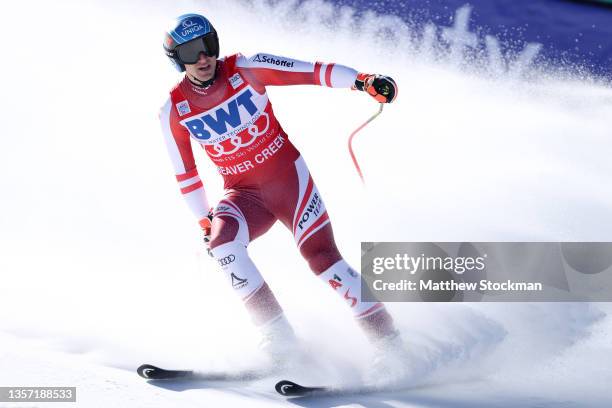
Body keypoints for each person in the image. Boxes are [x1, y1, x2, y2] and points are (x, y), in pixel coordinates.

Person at [160, 13, 402, 364]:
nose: (202, 58)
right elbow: (186, 174)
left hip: (290, 182)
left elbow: (312, 71)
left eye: (208, 45)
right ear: (176, 60)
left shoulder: (246, 67)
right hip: (244, 196)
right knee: (222, 245)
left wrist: (363, 81)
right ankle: (280, 341)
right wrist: (203, 221)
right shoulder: (172, 109)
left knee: (323, 261)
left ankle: (390, 344)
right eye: (190, 52)